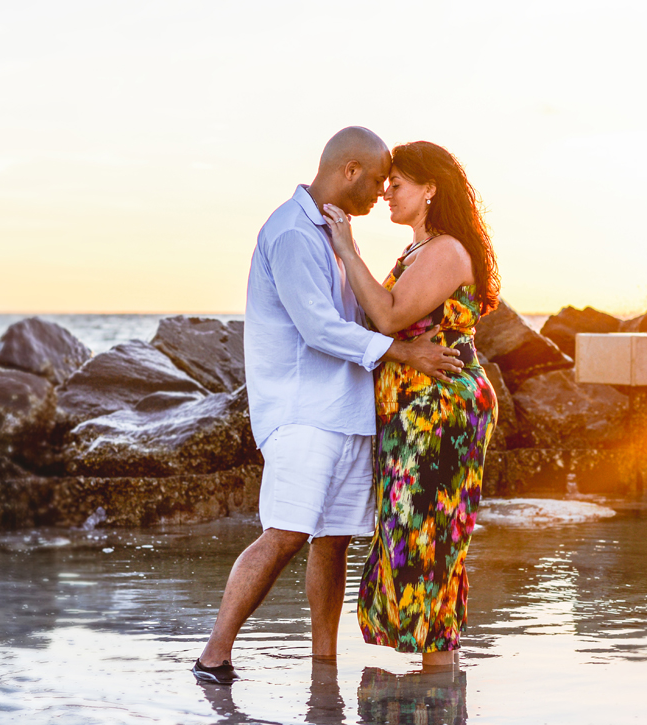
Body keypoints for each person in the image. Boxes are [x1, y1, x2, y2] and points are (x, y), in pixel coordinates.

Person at [192, 128, 464, 683]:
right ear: (349, 172)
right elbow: (317, 328)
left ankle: (324, 660)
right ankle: (213, 656)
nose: (382, 194)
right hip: (302, 413)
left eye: (395, 183)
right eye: (378, 181)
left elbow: (362, 314)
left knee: (333, 539)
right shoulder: (292, 232)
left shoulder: (336, 234)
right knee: (286, 532)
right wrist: (402, 351)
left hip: (347, 412)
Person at [322, 140, 499, 668]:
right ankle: (432, 709)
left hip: (438, 412)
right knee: (413, 536)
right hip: (414, 411)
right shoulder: (419, 251)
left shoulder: (445, 249)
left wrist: (346, 249)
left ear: (430, 190)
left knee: (429, 542)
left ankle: (437, 709)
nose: (385, 193)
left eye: (396, 184)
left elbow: (390, 316)